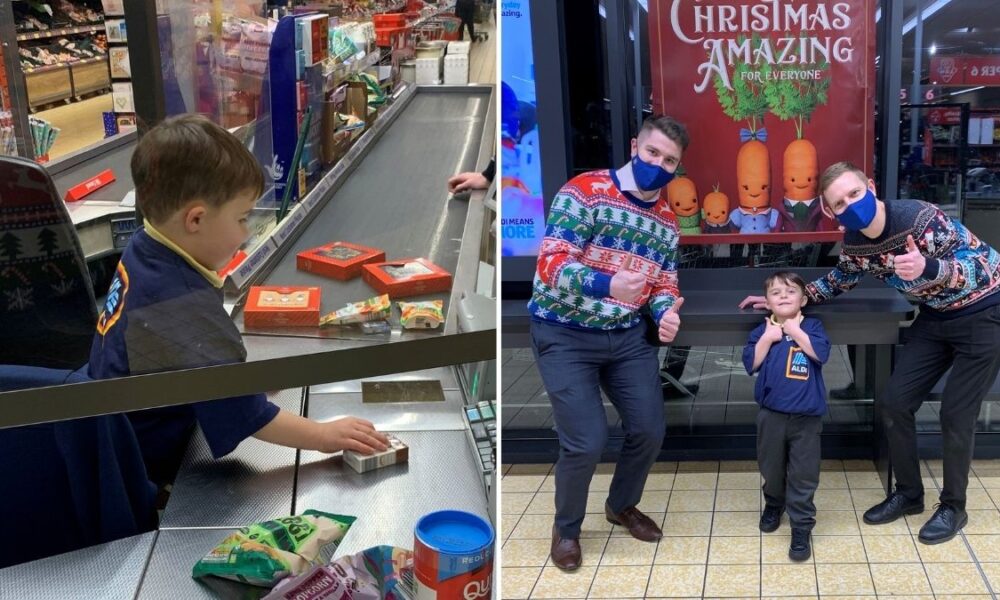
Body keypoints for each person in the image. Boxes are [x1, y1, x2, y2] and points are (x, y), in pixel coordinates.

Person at [89, 114, 389, 487]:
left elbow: (183, 363)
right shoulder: (178, 303)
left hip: (113, 437)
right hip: (148, 472)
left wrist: (242, 379)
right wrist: (324, 435)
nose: (246, 234)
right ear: (195, 219)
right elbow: (246, 414)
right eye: (242, 218)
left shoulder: (146, 246)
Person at [739, 161, 1000, 544]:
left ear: (871, 186)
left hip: (984, 311)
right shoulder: (856, 243)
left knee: (956, 413)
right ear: (830, 211)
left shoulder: (920, 218)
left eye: (854, 194)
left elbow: (985, 265)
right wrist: (786, 300)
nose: (849, 205)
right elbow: (841, 278)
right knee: (894, 402)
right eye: (839, 203)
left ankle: (953, 507)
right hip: (935, 316)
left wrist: (929, 266)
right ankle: (909, 494)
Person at [528, 115, 688, 570]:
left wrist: (665, 314)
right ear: (636, 145)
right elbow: (551, 264)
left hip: (625, 337)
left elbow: (662, 285)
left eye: (670, 160)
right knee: (586, 440)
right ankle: (567, 529)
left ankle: (621, 505)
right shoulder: (585, 191)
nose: (658, 163)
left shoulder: (667, 222)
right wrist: (607, 285)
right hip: (564, 332)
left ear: (678, 168)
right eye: (653, 152)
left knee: (649, 428)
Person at [743, 272, 830, 561]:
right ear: (766, 302)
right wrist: (768, 339)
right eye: (776, 292)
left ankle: (801, 526)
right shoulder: (762, 330)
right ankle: (774, 503)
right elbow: (751, 364)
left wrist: (795, 331)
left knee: (804, 474)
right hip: (772, 417)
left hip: (807, 418)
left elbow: (820, 354)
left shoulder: (813, 326)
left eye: (790, 291)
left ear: (803, 300)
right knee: (771, 467)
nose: (782, 296)